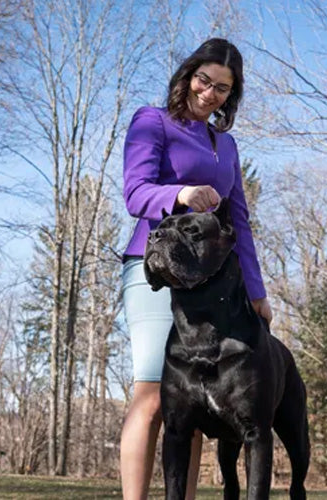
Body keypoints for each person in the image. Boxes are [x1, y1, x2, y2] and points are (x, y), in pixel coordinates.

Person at [120, 38, 272, 500]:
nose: (210, 93)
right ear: (188, 76)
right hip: (155, 267)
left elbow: (239, 222)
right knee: (152, 397)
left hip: (210, 284)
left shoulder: (227, 146)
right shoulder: (153, 121)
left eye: (223, 89)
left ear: (231, 97)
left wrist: (257, 290)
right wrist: (180, 195)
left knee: (189, 407)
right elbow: (135, 193)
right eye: (204, 80)